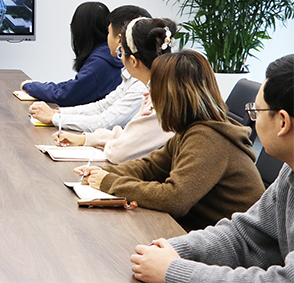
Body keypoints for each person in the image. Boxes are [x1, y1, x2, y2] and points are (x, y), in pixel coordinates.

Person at [130, 53, 294, 283]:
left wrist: (173, 270)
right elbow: (244, 235)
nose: (254, 120)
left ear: (283, 122)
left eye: (256, 112)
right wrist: (171, 250)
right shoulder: (289, 172)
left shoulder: (207, 137)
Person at [77, 50, 265, 231]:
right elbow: (150, 167)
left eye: (153, 87)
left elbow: (174, 199)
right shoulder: (191, 130)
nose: (149, 95)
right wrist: (103, 173)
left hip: (239, 245)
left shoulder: (208, 138)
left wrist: (109, 182)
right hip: (208, 232)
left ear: (171, 95)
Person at [52, 17, 178, 163]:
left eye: (121, 52)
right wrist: (86, 139)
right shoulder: (157, 89)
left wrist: (101, 143)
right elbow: (131, 134)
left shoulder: (162, 99)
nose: (120, 59)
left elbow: (119, 152)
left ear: (133, 61)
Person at [29, 5, 151, 131]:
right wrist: (57, 113)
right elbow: (103, 106)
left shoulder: (141, 85)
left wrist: (54, 117)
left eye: (109, 32)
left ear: (120, 40)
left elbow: (105, 122)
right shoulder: (131, 75)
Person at [21, 1, 122, 106]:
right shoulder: (109, 55)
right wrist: (39, 86)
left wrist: (30, 87)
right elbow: (74, 86)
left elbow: (66, 95)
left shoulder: (99, 64)